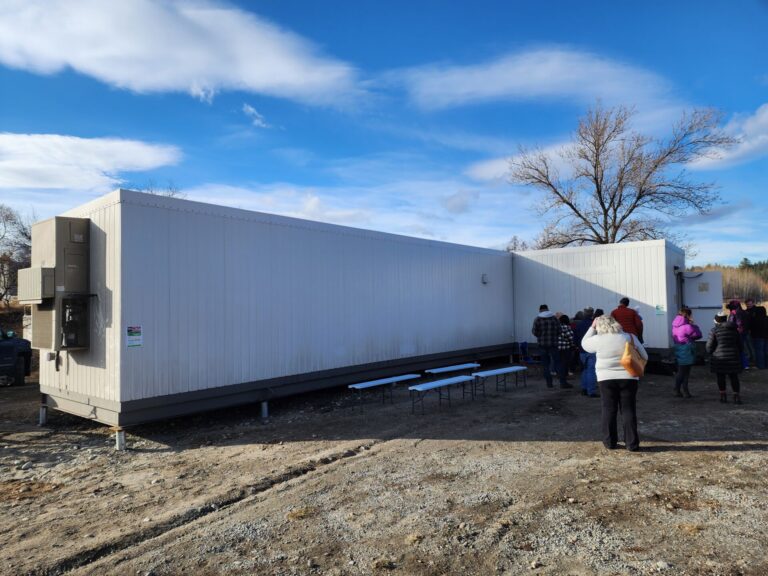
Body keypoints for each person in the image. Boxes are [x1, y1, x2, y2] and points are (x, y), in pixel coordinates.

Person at [582, 315, 648, 452]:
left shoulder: (597, 340)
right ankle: (632, 443)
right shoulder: (629, 337)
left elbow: (584, 344)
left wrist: (592, 327)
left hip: (605, 378)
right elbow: (645, 356)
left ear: (599, 326)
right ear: (616, 323)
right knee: (628, 410)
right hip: (629, 377)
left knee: (608, 410)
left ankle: (610, 442)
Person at [707, 312, 744, 404]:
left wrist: (711, 352)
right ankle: (736, 397)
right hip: (733, 356)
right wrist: (737, 353)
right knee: (734, 377)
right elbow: (740, 345)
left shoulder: (714, 330)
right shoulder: (734, 330)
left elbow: (709, 346)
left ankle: (723, 396)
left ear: (717, 321)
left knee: (720, 376)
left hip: (719, 357)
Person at [671, 307, 702, 398]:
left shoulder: (675, 325)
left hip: (679, 348)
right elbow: (698, 335)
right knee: (684, 372)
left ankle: (684, 391)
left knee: (682, 370)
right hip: (687, 349)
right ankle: (679, 390)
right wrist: (694, 325)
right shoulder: (687, 326)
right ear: (687, 315)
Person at [532, 304, 560, 388]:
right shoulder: (554, 318)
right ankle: (562, 382)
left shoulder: (537, 319)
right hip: (554, 344)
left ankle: (549, 383)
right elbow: (559, 330)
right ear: (548, 309)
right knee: (558, 363)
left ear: (540, 310)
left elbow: (534, 332)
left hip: (542, 345)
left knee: (545, 365)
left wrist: (541, 336)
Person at [573, 307, 598, 397]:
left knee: (584, 370)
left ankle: (584, 389)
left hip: (582, 351)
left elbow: (575, 338)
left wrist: (577, 347)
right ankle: (591, 391)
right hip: (592, 350)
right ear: (592, 313)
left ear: (584, 313)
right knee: (591, 371)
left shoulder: (579, 324)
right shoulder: (594, 324)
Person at [726, 300, 749, 369]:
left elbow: (731, 323)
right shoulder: (745, 312)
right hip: (745, 332)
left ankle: (740, 364)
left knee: (737, 349)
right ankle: (745, 365)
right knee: (742, 348)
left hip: (736, 333)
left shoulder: (734, 313)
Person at [556, 315, 575, 389]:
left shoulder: (556, 327)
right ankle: (563, 382)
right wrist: (573, 345)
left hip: (557, 348)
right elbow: (571, 338)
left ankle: (562, 380)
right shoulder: (566, 327)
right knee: (564, 365)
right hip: (565, 349)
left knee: (560, 365)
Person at [749, 303, 768, 369]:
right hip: (766, 337)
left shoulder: (755, 319)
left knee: (759, 352)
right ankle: (766, 365)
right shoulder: (767, 318)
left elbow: (751, 328)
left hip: (758, 337)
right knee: (766, 351)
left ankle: (761, 365)